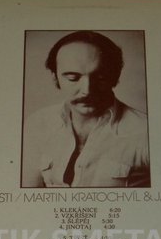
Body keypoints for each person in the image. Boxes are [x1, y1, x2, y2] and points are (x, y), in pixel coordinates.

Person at [21, 31, 151, 188]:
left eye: (100, 78)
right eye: (73, 78)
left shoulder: (146, 133)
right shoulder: (36, 124)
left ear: (115, 77)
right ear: (55, 78)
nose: (87, 91)